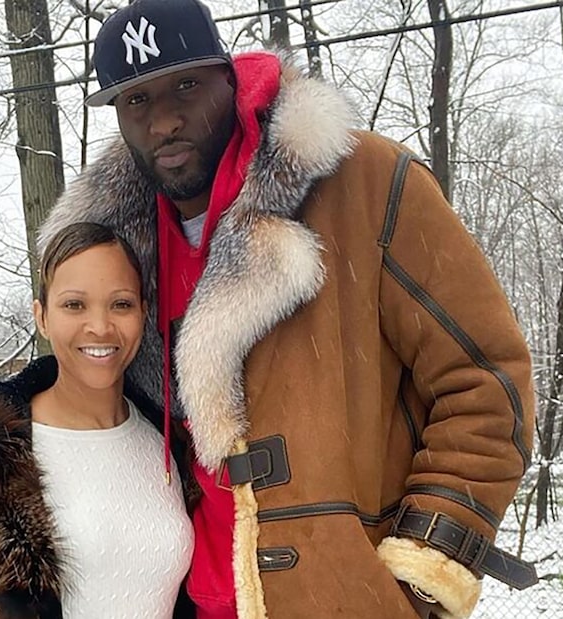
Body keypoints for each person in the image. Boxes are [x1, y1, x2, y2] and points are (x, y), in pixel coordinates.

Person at [34, 0, 539, 618]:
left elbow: (486, 385)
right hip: (184, 600)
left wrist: (420, 574)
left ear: (229, 76)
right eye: (136, 99)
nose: (163, 120)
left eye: (186, 86)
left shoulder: (365, 182)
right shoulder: (119, 246)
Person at [0, 222, 195, 619]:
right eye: (74, 304)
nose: (100, 326)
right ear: (42, 317)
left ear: (143, 313)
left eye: (121, 303)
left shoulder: (171, 443)